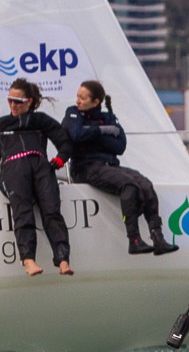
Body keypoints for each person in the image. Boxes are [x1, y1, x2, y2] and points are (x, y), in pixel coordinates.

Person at [62, 80, 178, 255]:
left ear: (95, 102)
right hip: (85, 167)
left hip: (109, 165)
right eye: (78, 96)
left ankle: (158, 238)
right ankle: (134, 240)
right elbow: (77, 135)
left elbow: (120, 146)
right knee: (129, 185)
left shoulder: (108, 116)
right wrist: (103, 131)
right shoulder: (72, 113)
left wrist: (92, 132)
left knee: (145, 185)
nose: (77, 100)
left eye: (82, 97)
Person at [0, 78, 74, 276]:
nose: (13, 105)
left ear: (29, 101)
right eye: (10, 100)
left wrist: (59, 160)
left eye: (18, 101)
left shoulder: (41, 121)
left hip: (41, 167)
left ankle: (63, 259)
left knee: (52, 212)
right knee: (23, 213)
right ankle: (28, 260)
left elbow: (65, 142)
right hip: (13, 169)